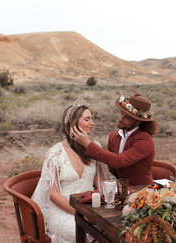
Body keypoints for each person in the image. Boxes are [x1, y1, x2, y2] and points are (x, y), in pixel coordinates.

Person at [31, 96, 114, 243]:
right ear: (73, 123)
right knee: (82, 232)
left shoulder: (94, 147)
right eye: (87, 119)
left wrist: (107, 205)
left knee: (109, 228)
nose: (92, 123)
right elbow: (52, 194)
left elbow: (102, 183)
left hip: (89, 208)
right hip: (62, 210)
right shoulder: (55, 153)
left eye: (92, 119)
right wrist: (78, 212)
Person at [71, 93, 156, 186]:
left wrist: (88, 144)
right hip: (119, 190)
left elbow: (118, 161)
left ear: (138, 121)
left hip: (141, 190)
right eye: (121, 113)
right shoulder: (114, 136)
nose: (120, 119)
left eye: (127, 117)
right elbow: (111, 165)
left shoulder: (145, 141)